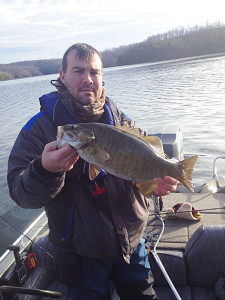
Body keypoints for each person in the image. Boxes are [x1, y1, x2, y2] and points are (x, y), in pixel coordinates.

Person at [7, 43, 178, 300]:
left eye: (94, 72)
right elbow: (20, 192)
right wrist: (44, 170)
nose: (88, 79)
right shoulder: (39, 128)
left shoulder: (121, 119)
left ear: (102, 77)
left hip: (132, 243)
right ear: (63, 76)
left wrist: (161, 181)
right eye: (78, 71)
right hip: (80, 255)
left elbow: (147, 163)